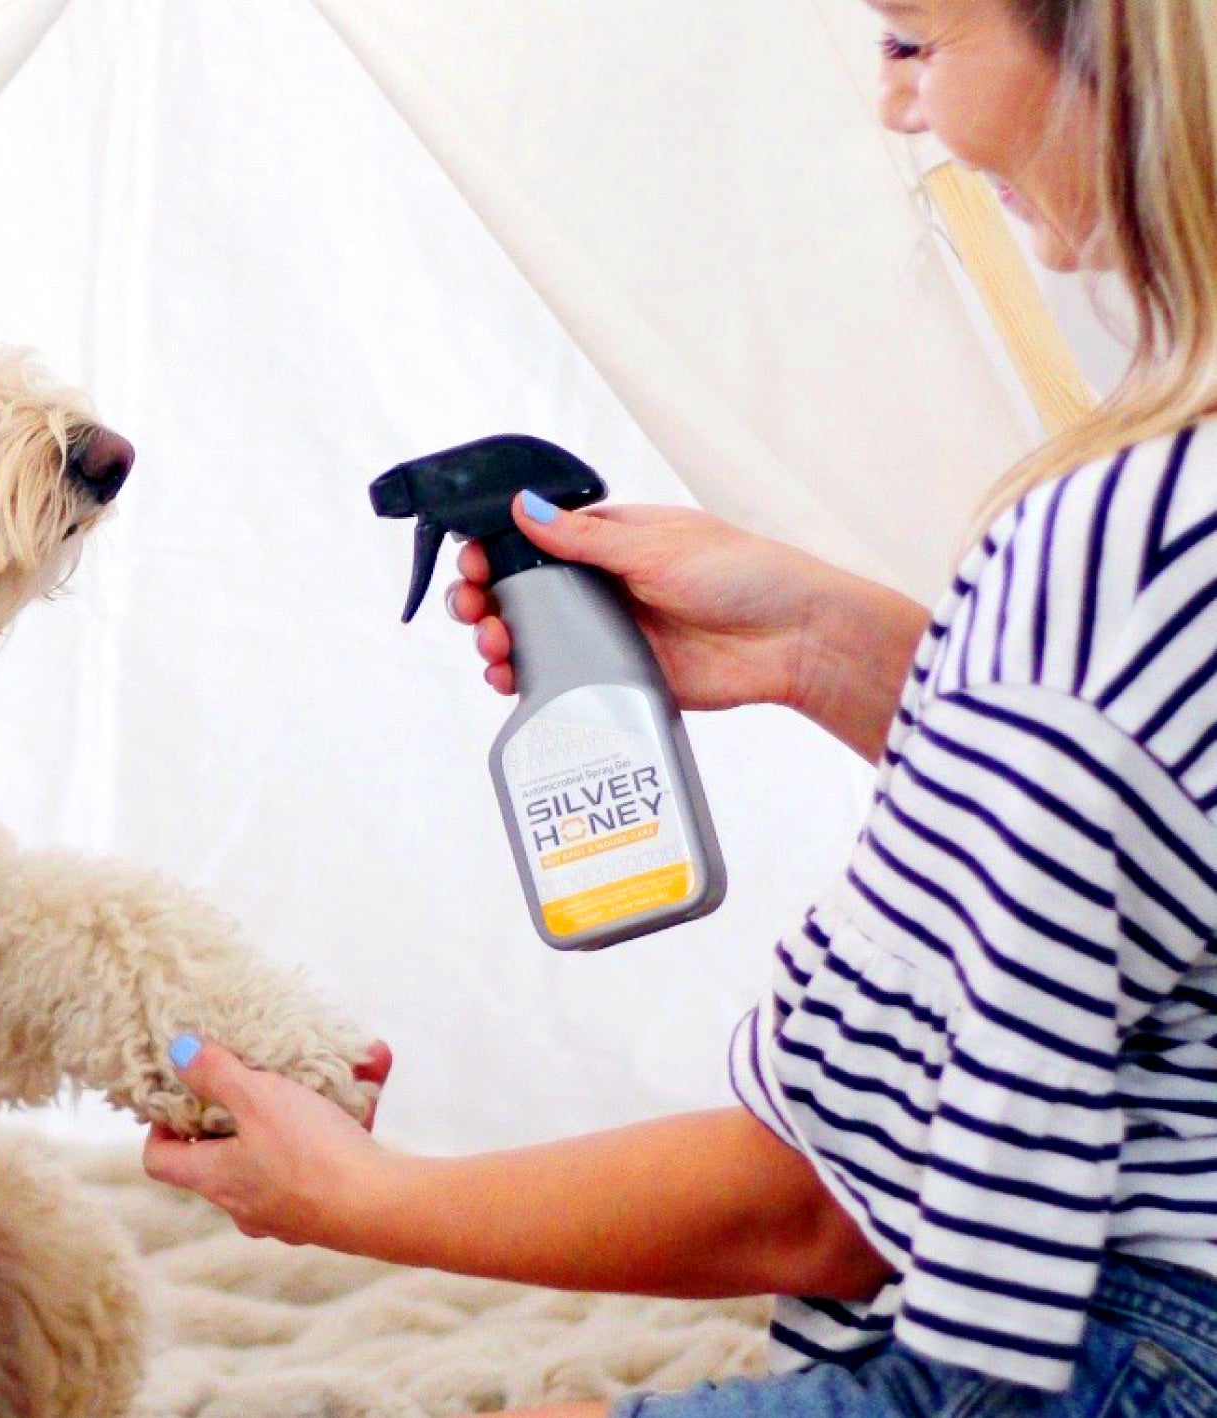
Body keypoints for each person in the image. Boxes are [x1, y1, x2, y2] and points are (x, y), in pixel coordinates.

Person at [142, 1, 1217, 1414]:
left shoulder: (1107, 538)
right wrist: (825, 644)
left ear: (1122, 46)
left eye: (914, 46)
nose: (895, 113)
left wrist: (355, 1196)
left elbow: (822, 1206)